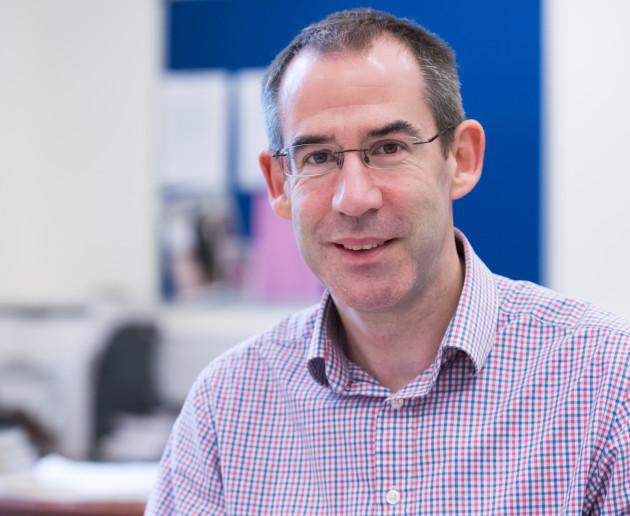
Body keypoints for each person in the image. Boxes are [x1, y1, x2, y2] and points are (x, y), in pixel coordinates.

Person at [146, 8, 630, 514]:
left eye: (389, 147)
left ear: (461, 159)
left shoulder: (605, 383)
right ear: (279, 184)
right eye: (318, 157)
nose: (354, 199)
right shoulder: (225, 408)